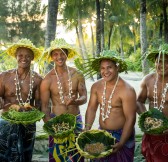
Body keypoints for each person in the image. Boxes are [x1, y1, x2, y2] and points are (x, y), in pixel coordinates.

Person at [40, 38, 87, 162]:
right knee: (58, 157)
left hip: (75, 120)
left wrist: (75, 101)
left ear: (67, 55)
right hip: (56, 123)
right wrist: (51, 127)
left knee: (77, 156)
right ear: (51, 57)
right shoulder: (47, 79)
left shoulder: (77, 74)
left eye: (62, 53)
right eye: (55, 54)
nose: (59, 57)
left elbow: (84, 97)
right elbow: (44, 107)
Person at [85, 50, 136, 162]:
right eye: (102, 68)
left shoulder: (127, 90)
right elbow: (91, 108)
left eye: (109, 67)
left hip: (123, 134)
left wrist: (122, 142)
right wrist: (87, 129)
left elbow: (130, 119)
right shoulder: (96, 86)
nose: (105, 71)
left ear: (117, 68)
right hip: (102, 133)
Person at [0, 38, 42, 162]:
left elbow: (39, 104)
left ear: (32, 58)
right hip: (6, 122)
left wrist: (31, 110)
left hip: (28, 124)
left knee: (25, 155)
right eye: (20, 55)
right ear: (16, 56)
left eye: (28, 56)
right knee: (4, 156)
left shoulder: (38, 79)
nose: (24, 58)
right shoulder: (4, 76)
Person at [137, 44, 168, 162]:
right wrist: (146, 118)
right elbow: (139, 102)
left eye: (167, 62)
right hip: (151, 131)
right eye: (159, 61)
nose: (163, 65)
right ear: (154, 63)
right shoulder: (148, 80)